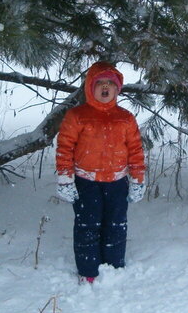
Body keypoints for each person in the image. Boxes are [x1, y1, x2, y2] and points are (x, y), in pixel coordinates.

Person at [55, 61, 146, 284]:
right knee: (88, 224)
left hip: (117, 182)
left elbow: (135, 150)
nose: (105, 88)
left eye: (110, 84)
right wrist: (66, 180)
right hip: (86, 182)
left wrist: (137, 180)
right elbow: (65, 148)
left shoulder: (125, 118)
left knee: (115, 224)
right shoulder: (77, 116)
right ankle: (88, 270)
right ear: (90, 87)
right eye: (100, 83)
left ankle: (113, 266)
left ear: (117, 89)